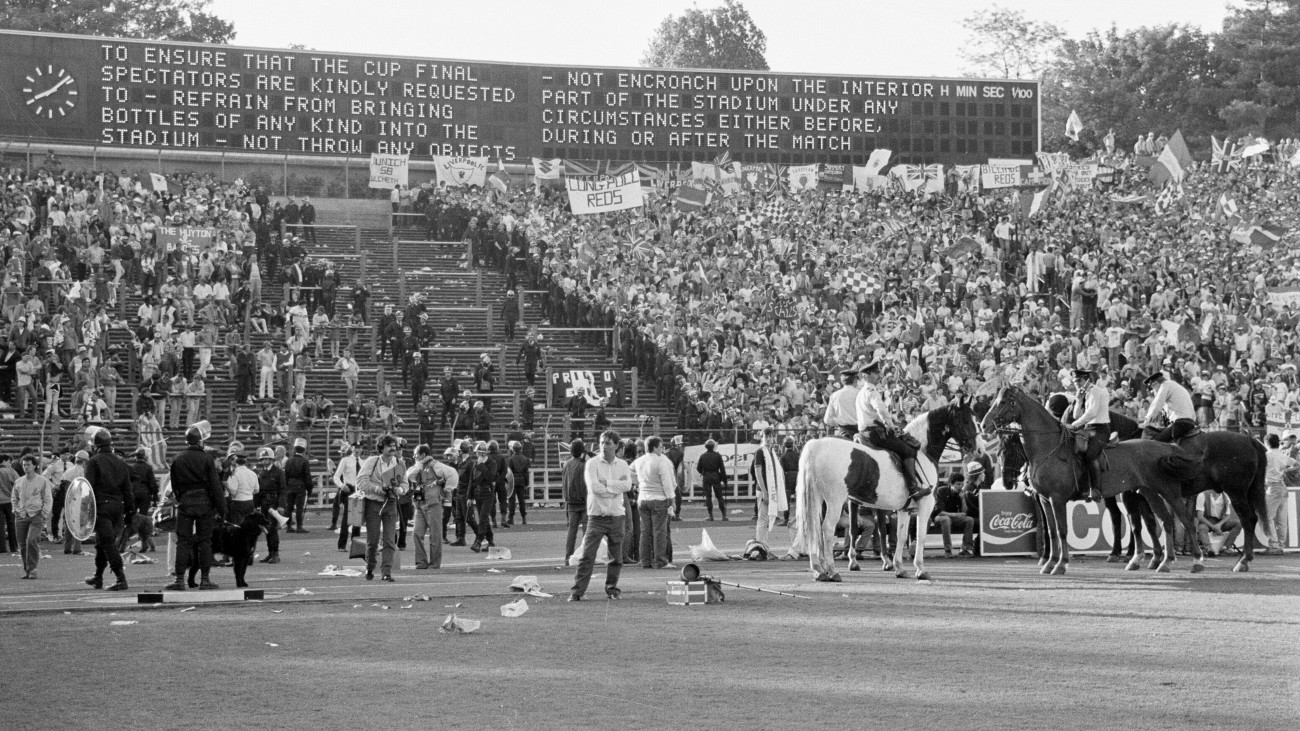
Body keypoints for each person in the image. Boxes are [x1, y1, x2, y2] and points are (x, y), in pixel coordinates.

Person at [569, 430, 632, 602]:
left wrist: (608, 485)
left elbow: (627, 485)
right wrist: (613, 490)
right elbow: (594, 488)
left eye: (608, 443)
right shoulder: (592, 464)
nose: (604, 446)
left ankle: (612, 589)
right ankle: (577, 592)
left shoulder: (623, 465)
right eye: (602, 442)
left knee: (616, 558)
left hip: (616, 516)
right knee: (587, 556)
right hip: (596, 517)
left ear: (616, 446)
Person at [855, 360, 929, 501]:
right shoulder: (871, 391)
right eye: (875, 373)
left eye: (878, 373)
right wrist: (889, 424)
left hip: (864, 431)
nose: (878, 376)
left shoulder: (861, 392)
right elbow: (881, 409)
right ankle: (913, 489)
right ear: (867, 375)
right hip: (875, 432)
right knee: (908, 450)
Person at [165, 425, 226, 591]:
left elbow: (175, 485)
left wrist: (182, 498)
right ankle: (205, 579)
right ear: (200, 441)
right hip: (204, 503)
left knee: (183, 542)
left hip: (185, 503)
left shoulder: (178, 458)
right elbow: (215, 485)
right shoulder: (206, 459)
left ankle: (179, 579)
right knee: (204, 542)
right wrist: (221, 509)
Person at [82, 429, 135, 591]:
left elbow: (87, 487)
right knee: (101, 544)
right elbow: (128, 490)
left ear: (95, 446)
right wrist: (130, 511)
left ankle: (121, 578)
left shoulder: (94, 461)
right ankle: (98, 577)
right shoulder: (121, 462)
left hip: (101, 507)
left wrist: (84, 510)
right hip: (117, 508)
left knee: (107, 543)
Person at [357, 434, 407, 581]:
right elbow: (361, 481)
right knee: (372, 541)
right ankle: (370, 567)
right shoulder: (372, 461)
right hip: (374, 503)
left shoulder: (400, 462)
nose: (393, 448)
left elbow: (405, 483)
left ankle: (386, 572)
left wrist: (400, 490)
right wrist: (379, 489)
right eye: (389, 446)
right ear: (382, 448)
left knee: (390, 540)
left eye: (394, 445)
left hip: (391, 503)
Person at [408, 444, 458, 570]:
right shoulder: (418, 467)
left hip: (433, 503)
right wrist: (418, 466)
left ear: (423, 455)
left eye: (416, 454)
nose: (414, 456)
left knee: (435, 535)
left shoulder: (435, 465)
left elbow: (452, 474)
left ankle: (435, 564)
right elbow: (408, 476)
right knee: (416, 534)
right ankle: (421, 562)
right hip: (419, 504)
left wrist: (447, 489)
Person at [631, 435, 677, 569]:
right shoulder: (661, 461)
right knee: (659, 532)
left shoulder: (639, 461)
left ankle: (645, 560)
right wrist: (671, 500)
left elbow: (628, 471)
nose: (663, 449)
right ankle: (661, 561)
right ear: (655, 447)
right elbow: (667, 483)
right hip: (658, 498)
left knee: (645, 532)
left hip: (643, 499)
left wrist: (638, 484)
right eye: (661, 446)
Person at [1065, 368, 1108, 502]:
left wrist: (1074, 425)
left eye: (1079, 381)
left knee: (1090, 454)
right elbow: (1076, 415)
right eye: (1074, 381)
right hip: (1087, 429)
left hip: (1100, 429)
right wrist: (1078, 400)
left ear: (1086, 380)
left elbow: (1092, 413)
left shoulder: (1095, 390)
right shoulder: (1083, 392)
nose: (1076, 383)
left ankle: (1096, 489)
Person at [13, 454, 52, 579]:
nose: (26, 467)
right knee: (22, 544)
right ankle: (27, 569)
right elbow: (14, 497)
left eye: (29, 464)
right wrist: (15, 509)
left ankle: (33, 568)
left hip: (36, 515)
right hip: (21, 514)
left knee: (31, 540)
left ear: (34, 466)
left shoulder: (42, 481)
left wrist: (44, 513)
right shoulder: (18, 481)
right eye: (24, 465)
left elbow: (47, 498)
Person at [750, 427, 789, 548]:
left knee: (766, 520)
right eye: (765, 436)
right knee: (762, 519)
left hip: (771, 490)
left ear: (773, 438)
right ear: (762, 437)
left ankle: (764, 545)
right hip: (764, 491)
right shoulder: (760, 451)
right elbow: (757, 472)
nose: (767, 438)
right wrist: (765, 492)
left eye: (769, 436)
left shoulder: (771, 451)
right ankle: (761, 546)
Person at [1140, 371, 1197, 442]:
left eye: (1152, 389)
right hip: (1190, 424)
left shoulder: (1165, 385)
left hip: (1180, 424)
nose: (1153, 392)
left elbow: (1156, 404)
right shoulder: (1175, 386)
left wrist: (1146, 422)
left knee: (1154, 443)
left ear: (1155, 384)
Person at [932, 473, 977, 558]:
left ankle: (966, 549)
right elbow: (939, 511)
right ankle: (948, 550)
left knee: (969, 520)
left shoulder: (960, 494)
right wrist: (956, 515)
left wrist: (963, 499)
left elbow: (964, 513)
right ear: (951, 484)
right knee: (946, 519)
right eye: (958, 484)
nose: (960, 486)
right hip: (939, 518)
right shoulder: (941, 491)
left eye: (962, 484)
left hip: (953, 518)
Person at [1263, 433, 1293, 556]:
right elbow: (1297, 464)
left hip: (1272, 487)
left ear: (1266, 443)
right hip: (1282, 486)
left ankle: (1274, 545)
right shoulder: (1282, 455)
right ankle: (1280, 545)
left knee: (1268, 517)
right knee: (1281, 519)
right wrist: (1284, 470)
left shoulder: (1266, 456)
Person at [256, 447, 287, 564]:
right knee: (267, 530)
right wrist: (257, 505)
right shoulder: (262, 472)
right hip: (264, 503)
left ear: (271, 459)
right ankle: (270, 553)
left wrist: (281, 505)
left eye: (266, 459)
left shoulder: (278, 472)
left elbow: (283, 490)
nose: (264, 461)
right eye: (263, 459)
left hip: (274, 503)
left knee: (272, 529)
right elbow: (259, 491)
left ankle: (275, 554)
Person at [561, 439, 589, 564]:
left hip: (571, 501)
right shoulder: (584, 465)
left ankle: (568, 557)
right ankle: (585, 555)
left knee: (572, 530)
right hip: (583, 501)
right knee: (586, 530)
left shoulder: (567, 464)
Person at [469, 440, 499, 552]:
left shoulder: (492, 463)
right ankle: (490, 540)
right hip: (478, 493)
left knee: (483, 518)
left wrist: (481, 465)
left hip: (487, 492)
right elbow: (472, 481)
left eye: (479, 453)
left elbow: (490, 477)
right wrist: (470, 496)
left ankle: (478, 541)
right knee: (483, 518)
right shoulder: (475, 463)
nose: (477, 455)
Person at [1196, 489, 1241, 557]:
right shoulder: (1202, 495)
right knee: (1201, 527)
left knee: (1238, 524)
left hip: (1220, 521)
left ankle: (1226, 547)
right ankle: (1208, 548)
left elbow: (1227, 515)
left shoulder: (1225, 496)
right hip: (1207, 521)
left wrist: (1219, 525)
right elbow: (1200, 517)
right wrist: (1213, 527)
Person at [282, 439, 312, 532]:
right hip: (300, 486)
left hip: (290, 485)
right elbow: (308, 477)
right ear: (304, 450)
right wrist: (309, 489)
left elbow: (285, 475)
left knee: (289, 507)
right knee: (299, 507)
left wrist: (286, 486)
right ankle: (299, 526)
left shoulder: (289, 461)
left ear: (295, 448)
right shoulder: (305, 462)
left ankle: (289, 527)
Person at [824, 368, 862, 438]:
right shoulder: (860, 393)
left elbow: (827, 419)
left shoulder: (834, 395)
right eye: (857, 380)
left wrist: (837, 423)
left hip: (842, 432)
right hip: (859, 433)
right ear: (854, 380)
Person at [696, 438, 728, 521]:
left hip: (707, 476)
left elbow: (698, 468)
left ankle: (710, 515)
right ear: (713, 446)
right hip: (716, 475)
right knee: (719, 496)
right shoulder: (717, 455)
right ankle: (723, 515)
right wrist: (724, 480)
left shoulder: (703, 456)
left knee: (708, 496)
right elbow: (722, 468)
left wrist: (703, 472)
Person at [225, 452, 260, 524]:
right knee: (249, 524)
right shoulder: (253, 473)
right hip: (250, 501)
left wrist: (226, 485)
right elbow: (257, 490)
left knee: (239, 526)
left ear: (236, 461)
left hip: (238, 502)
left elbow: (233, 492)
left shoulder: (235, 474)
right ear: (246, 461)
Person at [505, 440, 531, 526]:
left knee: (512, 500)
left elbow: (509, 472)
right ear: (521, 449)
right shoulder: (525, 459)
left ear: (513, 449)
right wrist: (527, 483)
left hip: (513, 480)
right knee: (521, 500)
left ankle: (510, 518)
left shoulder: (511, 459)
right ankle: (524, 518)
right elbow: (526, 472)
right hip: (521, 480)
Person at [0, 454, 18, 555]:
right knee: (12, 524)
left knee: (0, 525)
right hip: (9, 500)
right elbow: (18, 484)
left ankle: (2, 548)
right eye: (9, 461)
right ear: (5, 461)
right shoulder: (10, 471)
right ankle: (13, 547)